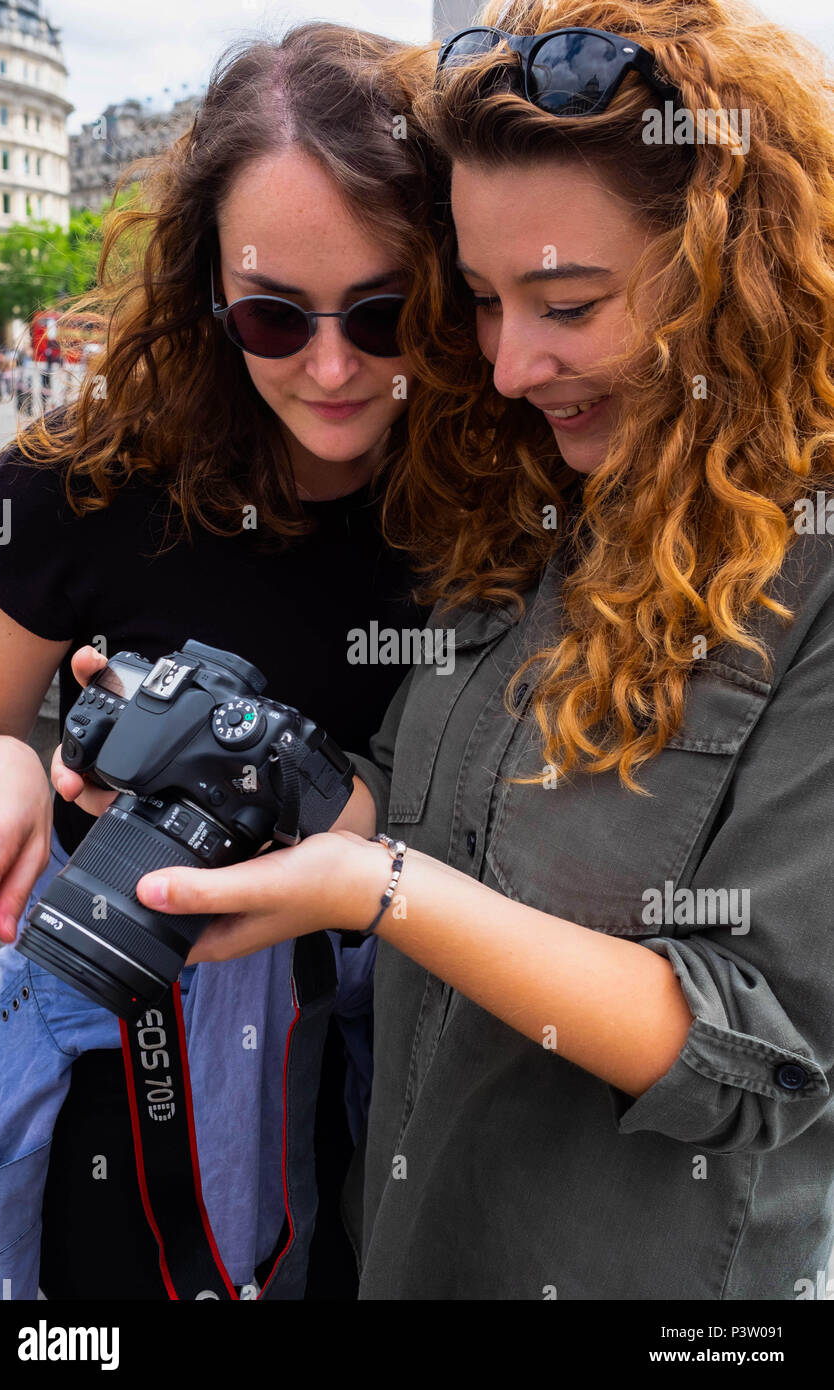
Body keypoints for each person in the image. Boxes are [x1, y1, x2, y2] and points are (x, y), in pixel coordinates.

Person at [102, 0, 834, 1299]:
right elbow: (401, 784)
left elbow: (764, 1050)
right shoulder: (528, 494)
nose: (506, 365)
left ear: (735, 270)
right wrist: (237, 790)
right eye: (485, 300)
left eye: (564, 302)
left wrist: (377, 892)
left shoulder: (811, 573)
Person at [0, 21, 441, 1301]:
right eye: (270, 317)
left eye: (388, 310)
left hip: (403, 1081)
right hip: (125, 1071)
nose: (333, 367)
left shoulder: (499, 499)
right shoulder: (78, 483)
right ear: (203, 294)